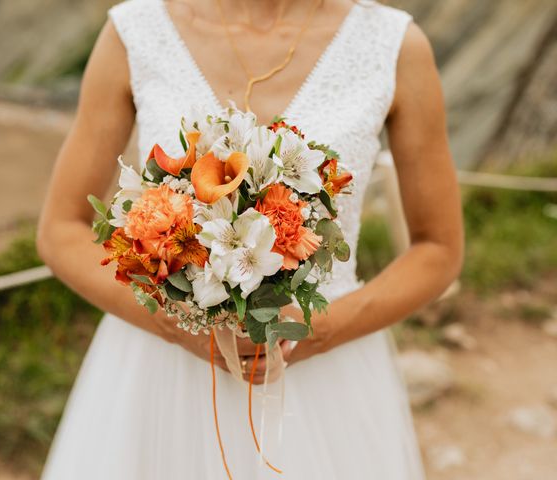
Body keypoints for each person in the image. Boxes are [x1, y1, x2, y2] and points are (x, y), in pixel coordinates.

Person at [36, 0, 464, 478]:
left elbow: (439, 248)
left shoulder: (394, 45)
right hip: (162, 375)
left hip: (325, 377)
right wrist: (179, 326)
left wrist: (314, 332)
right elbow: (60, 230)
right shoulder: (135, 32)